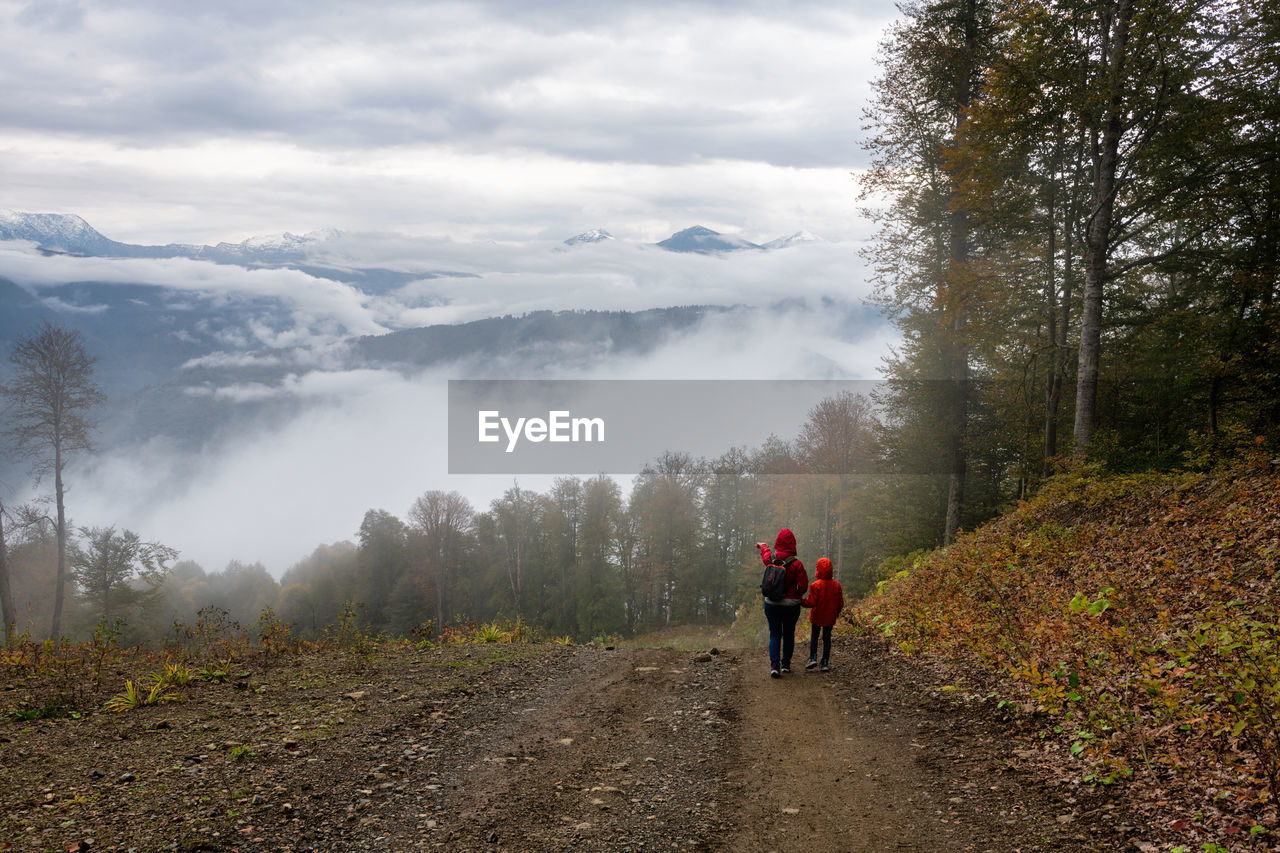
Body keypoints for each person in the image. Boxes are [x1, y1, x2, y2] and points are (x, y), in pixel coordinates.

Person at [756, 528, 808, 679]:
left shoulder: (772, 559)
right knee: (789, 634)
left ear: (778, 542)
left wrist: (763, 545)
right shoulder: (797, 564)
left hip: (771, 603)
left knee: (775, 634)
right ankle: (785, 665)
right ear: (793, 543)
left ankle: (774, 666)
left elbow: (765, 554)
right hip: (791, 606)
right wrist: (796, 595)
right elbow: (803, 586)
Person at [801, 557, 845, 672]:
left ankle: (813, 658)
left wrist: (801, 601)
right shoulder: (836, 585)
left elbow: (811, 602)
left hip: (817, 616)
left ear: (818, 569)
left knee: (814, 636)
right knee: (827, 638)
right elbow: (840, 603)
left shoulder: (815, 585)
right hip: (830, 617)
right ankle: (825, 662)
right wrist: (836, 613)